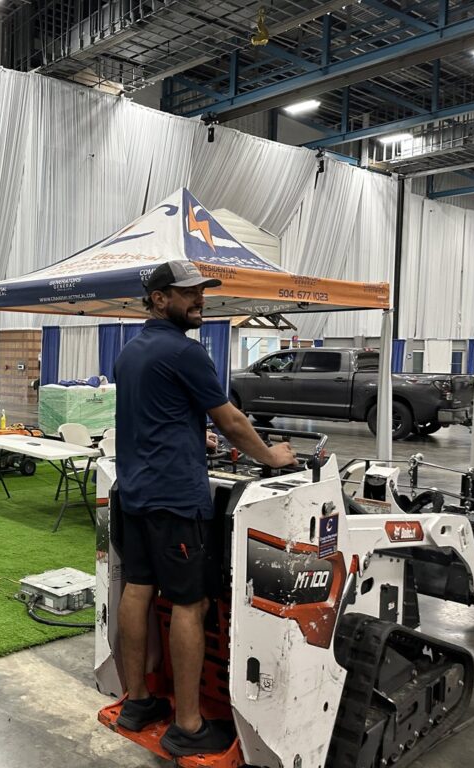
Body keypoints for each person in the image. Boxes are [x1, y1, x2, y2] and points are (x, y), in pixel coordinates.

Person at [113, 261, 297, 756]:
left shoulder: (131, 351)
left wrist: (195, 434)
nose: (199, 300)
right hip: (175, 498)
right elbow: (235, 421)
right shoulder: (185, 351)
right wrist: (272, 456)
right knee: (190, 603)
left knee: (137, 589)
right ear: (158, 299)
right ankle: (189, 725)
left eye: (201, 292)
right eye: (187, 293)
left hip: (135, 492)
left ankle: (137, 701)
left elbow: (158, 414)